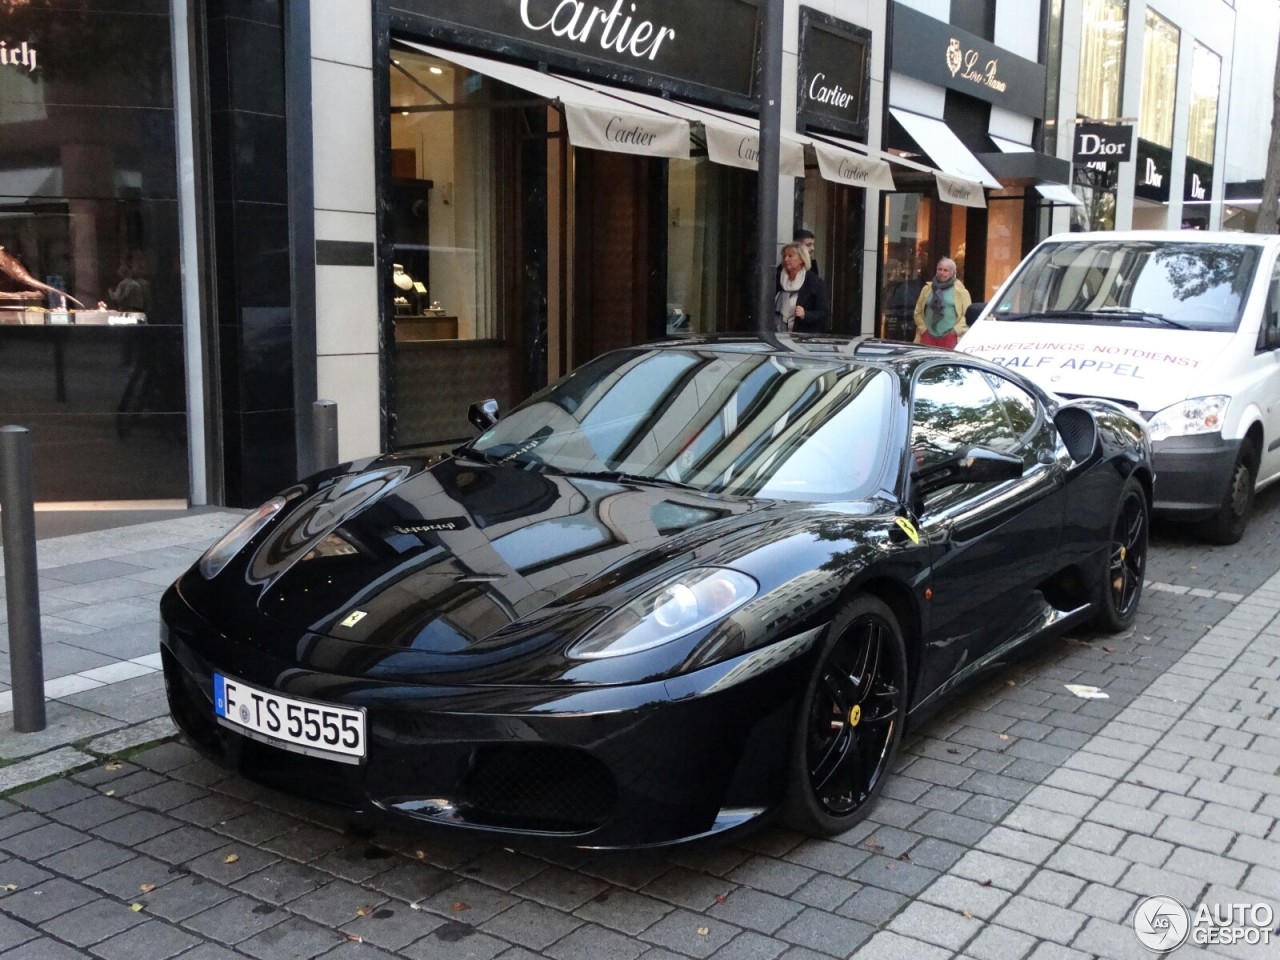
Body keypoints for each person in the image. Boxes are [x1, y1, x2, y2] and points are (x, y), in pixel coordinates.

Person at [913, 257, 970, 347]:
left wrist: (955, 331)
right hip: (927, 336)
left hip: (950, 338)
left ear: (952, 272)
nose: (942, 273)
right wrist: (923, 329)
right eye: (939, 269)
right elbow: (918, 311)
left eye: (945, 270)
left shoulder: (961, 292)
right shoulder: (927, 289)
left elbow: (967, 315)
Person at [775, 242, 829, 333]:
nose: (786, 259)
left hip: (802, 338)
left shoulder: (815, 283)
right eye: (784, 256)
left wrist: (805, 314)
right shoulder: (777, 280)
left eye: (790, 256)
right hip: (778, 335)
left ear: (801, 259)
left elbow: (823, 314)